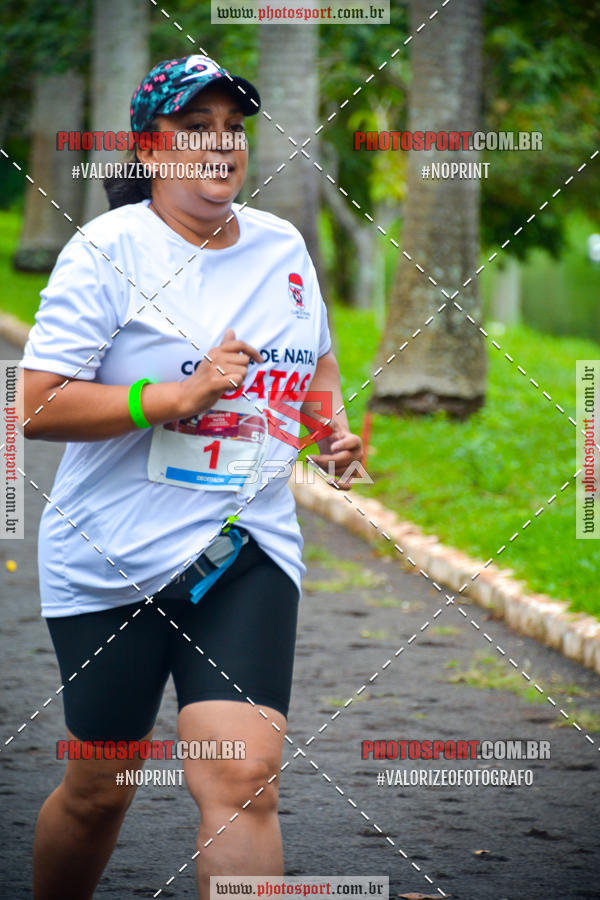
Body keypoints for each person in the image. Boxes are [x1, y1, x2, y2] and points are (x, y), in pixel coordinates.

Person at [18, 53, 362, 899]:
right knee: (100, 790)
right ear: (150, 147)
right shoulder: (108, 251)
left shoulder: (281, 247)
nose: (220, 144)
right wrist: (176, 396)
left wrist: (330, 433)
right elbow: (32, 404)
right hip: (112, 561)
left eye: (232, 129)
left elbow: (314, 366)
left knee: (243, 779)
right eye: (195, 128)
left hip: (243, 552)